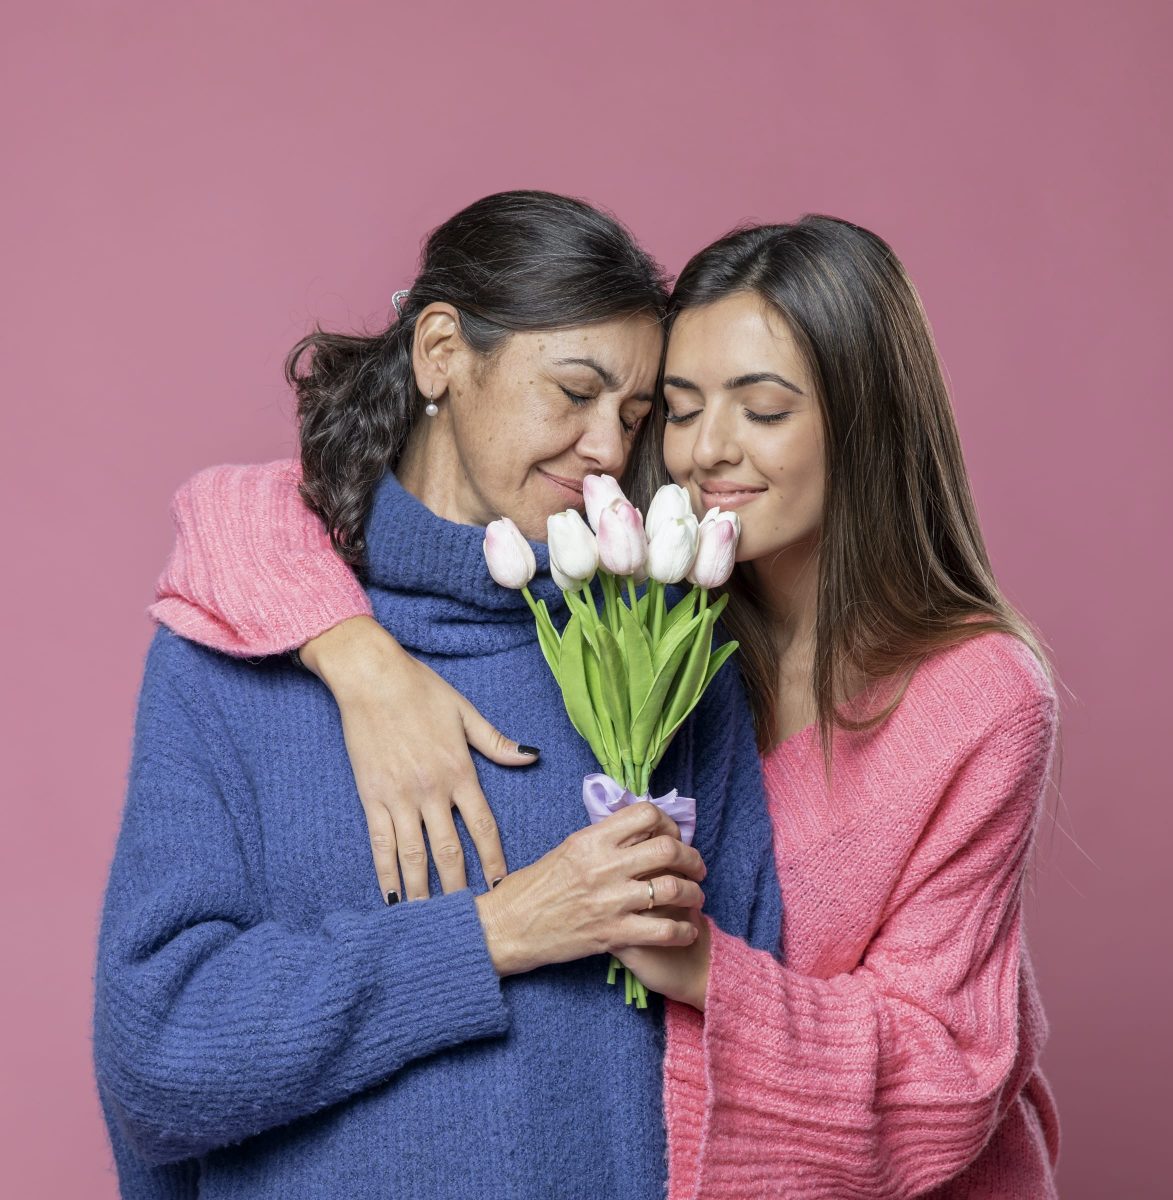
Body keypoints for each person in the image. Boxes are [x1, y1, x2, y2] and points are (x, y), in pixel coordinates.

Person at [149, 216, 1062, 1197]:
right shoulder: (656, 599)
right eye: (676, 407)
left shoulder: (979, 697)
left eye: (762, 410)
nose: (707, 450)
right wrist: (359, 655)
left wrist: (706, 969)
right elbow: (246, 508)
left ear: (864, 422)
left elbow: (950, 1079)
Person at [92, 190, 783, 1200]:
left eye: (635, 417)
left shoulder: (669, 657)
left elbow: (754, 1055)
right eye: (574, 392)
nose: (606, 448)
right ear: (441, 352)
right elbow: (156, 1055)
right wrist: (497, 933)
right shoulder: (236, 654)